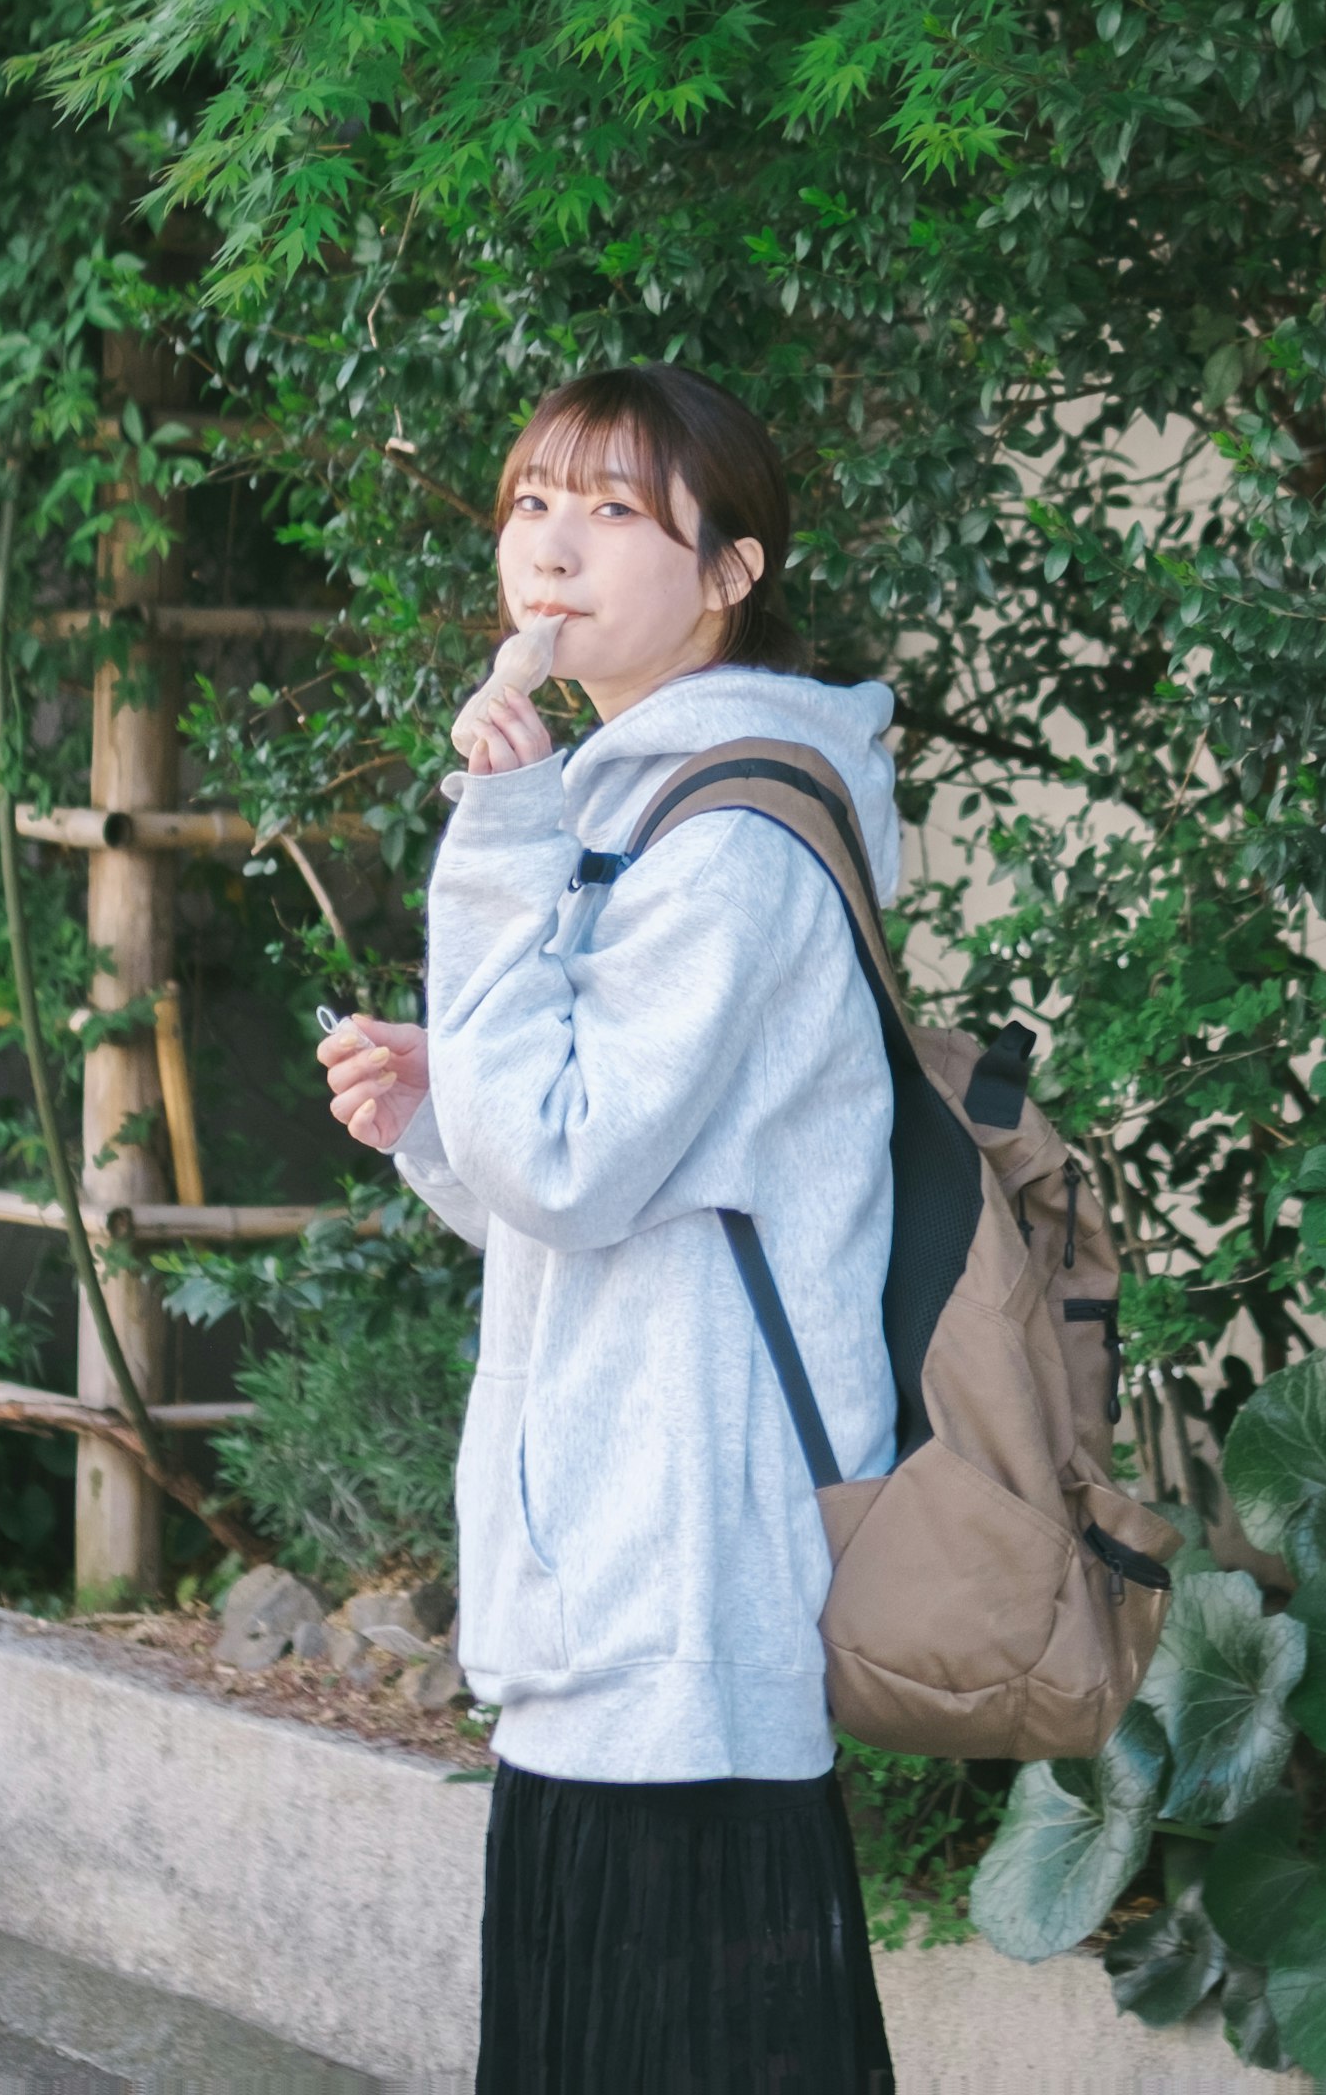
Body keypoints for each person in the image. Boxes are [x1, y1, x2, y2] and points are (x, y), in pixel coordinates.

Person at [317, 362, 901, 2093]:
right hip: (626, 1571)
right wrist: (444, 1107)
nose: (551, 548)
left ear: (731, 571)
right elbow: (569, 1192)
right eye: (530, 502)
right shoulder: (641, 803)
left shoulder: (727, 841)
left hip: (677, 1581)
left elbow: (572, 1166)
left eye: (615, 510)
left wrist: (491, 843)